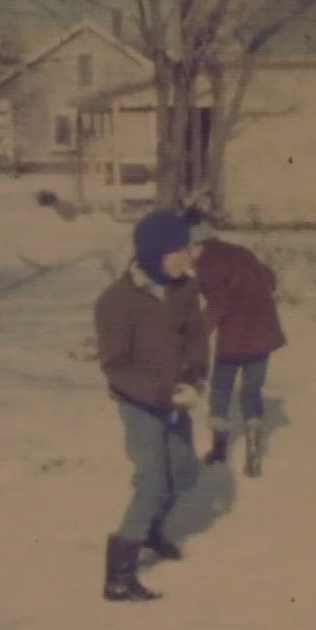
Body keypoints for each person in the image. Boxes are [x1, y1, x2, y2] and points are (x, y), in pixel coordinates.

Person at [93, 209, 210, 602]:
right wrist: (161, 395)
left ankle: (151, 531)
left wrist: (195, 375)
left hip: (176, 400)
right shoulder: (116, 302)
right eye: (180, 250)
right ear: (156, 253)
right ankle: (119, 576)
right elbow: (115, 366)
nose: (190, 257)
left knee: (184, 473)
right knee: (153, 483)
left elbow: (196, 334)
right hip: (141, 406)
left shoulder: (183, 289)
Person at [183, 213, 287, 476]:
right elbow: (270, 279)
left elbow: (217, 304)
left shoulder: (208, 263)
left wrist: (197, 337)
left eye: (187, 249)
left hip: (235, 337)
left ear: (197, 244)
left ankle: (219, 450)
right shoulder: (240, 251)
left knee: (220, 389)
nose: (186, 256)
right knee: (251, 391)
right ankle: (253, 447)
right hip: (264, 332)